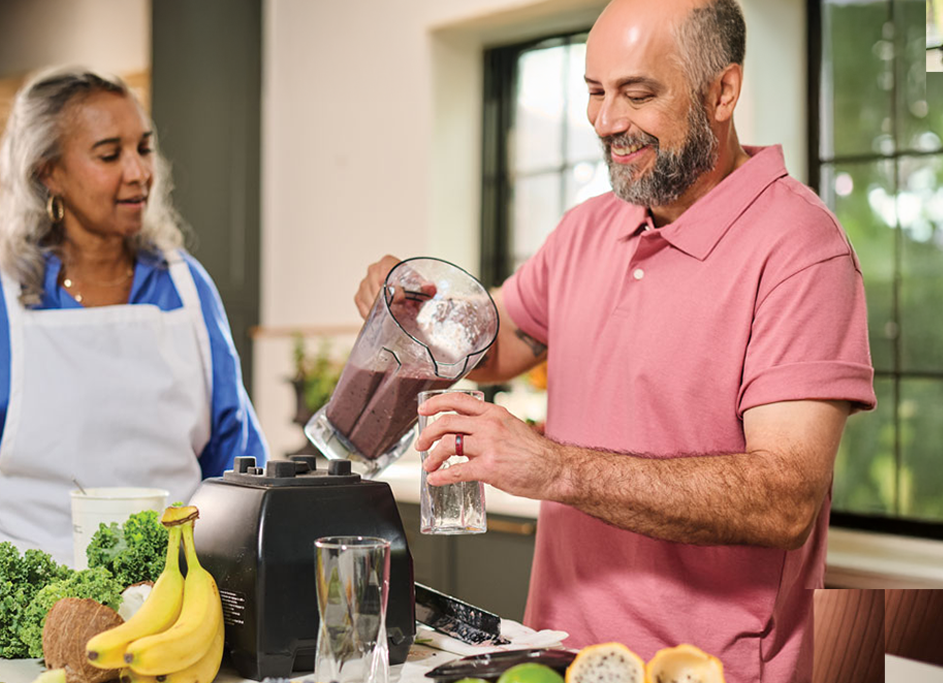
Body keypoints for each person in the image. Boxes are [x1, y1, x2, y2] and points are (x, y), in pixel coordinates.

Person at [355, 0, 875, 681]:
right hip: (557, 657)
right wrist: (418, 311)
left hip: (707, 672)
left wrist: (552, 466)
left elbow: (784, 498)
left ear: (723, 91)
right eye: (596, 92)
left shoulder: (802, 251)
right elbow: (500, 342)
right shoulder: (588, 229)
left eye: (638, 93)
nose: (605, 121)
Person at [0, 67, 268, 567]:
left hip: (163, 608)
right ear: (48, 172)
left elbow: (240, 469)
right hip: (15, 621)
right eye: (109, 154)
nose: (138, 172)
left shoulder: (187, 287)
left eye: (144, 148)